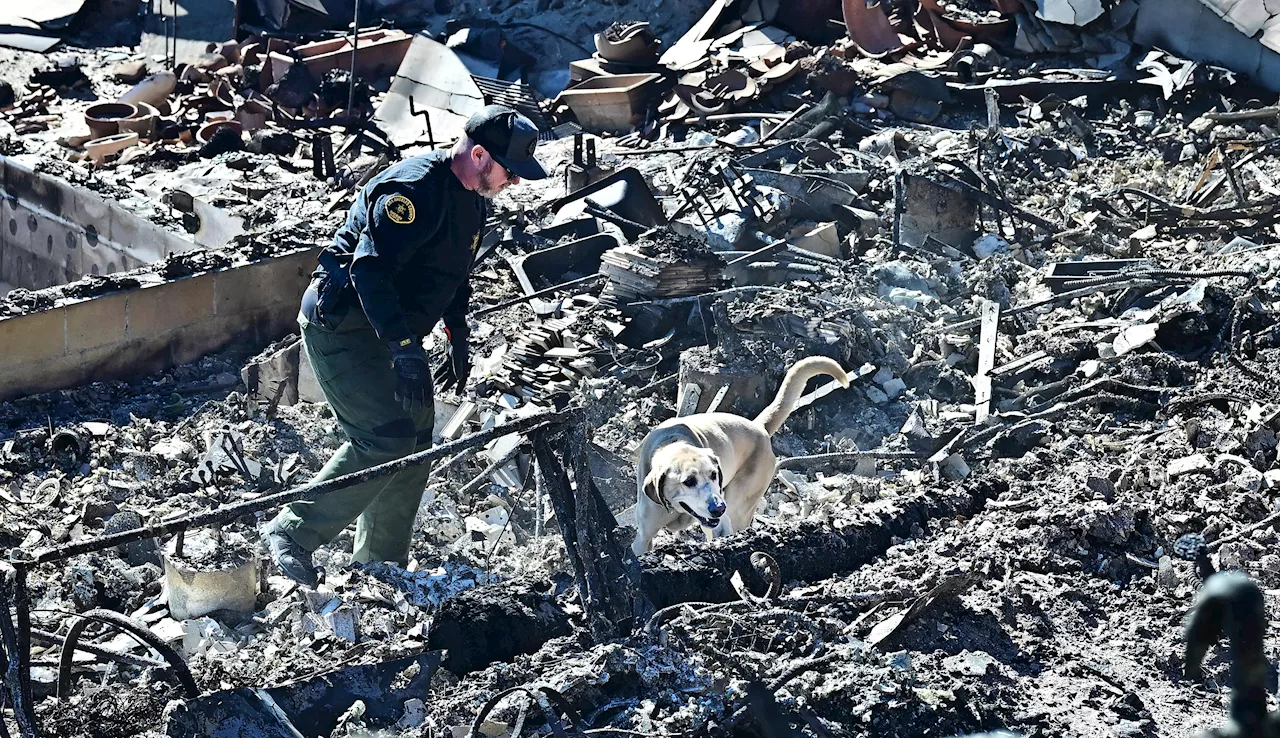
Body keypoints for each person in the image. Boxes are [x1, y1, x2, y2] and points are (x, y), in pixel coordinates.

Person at [262, 105, 548, 586]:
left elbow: (454, 271)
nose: (514, 183)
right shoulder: (411, 192)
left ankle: (379, 564)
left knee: (415, 444)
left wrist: (457, 332)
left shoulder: (474, 198)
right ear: (479, 155)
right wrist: (404, 351)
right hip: (344, 325)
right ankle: (290, 534)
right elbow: (368, 273)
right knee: (383, 438)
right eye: (509, 171)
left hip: (393, 332)